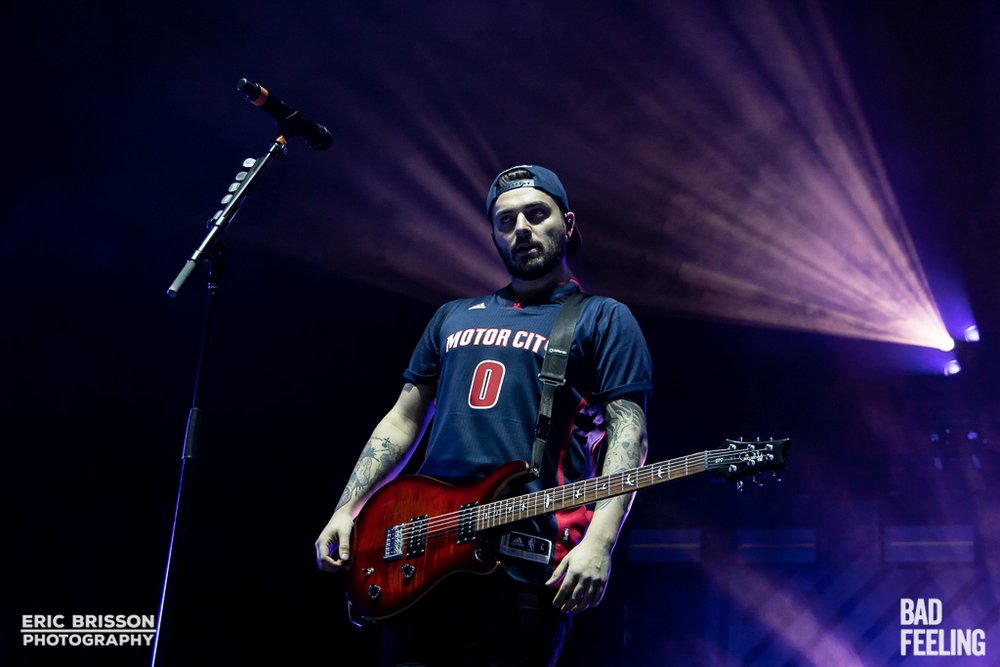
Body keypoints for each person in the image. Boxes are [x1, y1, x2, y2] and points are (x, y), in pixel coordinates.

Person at [316, 164, 653, 666]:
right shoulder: (452, 316)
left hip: (523, 562)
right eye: (506, 220)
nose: (522, 229)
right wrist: (347, 508)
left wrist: (600, 542)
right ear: (494, 235)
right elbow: (403, 420)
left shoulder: (603, 317)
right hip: (422, 558)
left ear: (568, 224)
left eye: (536, 214)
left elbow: (630, 437)